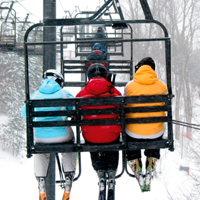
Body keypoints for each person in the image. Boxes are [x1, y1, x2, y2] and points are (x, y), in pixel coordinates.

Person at [21, 69, 77, 200]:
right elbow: (74, 111)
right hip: (62, 135)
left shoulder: (34, 96)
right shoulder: (64, 94)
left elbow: (25, 115)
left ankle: (41, 179)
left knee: (41, 149)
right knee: (70, 144)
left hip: (41, 137)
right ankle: (68, 175)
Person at [76, 63, 122, 198]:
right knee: (111, 139)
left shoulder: (82, 94)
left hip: (91, 137)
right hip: (111, 135)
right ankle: (112, 171)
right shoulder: (114, 92)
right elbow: (123, 111)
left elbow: (74, 115)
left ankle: (100, 171)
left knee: (93, 137)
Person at [124, 57, 167, 187]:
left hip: (133, 133)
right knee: (154, 131)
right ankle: (152, 159)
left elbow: (125, 107)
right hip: (155, 133)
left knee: (131, 137)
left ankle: (134, 160)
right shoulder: (162, 86)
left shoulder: (129, 86)